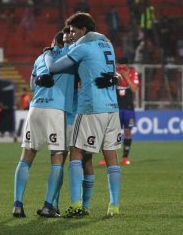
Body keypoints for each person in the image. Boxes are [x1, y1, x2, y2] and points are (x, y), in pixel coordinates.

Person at [44, 12, 122, 217]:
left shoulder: (83, 47)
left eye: (73, 31)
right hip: (112, 107)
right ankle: (114, 205)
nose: (70, 34)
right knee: (111, 156)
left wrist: (48, 53)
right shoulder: (107, 44)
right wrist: (116, 77)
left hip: (90, 107)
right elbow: (112, 71)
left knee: (76, 152)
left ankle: (76, 204)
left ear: (83, 30)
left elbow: (53, 67)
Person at [13, 31, 75, 218]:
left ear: (52, 42)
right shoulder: (72, 56)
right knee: (57, 157)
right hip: (56, 111)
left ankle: (17, 205)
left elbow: (33, 84)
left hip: (35, 108)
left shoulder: (41, 57)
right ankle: (48, 206)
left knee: (26, 157)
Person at [99, 57, 139, 166]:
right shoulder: (112, 73)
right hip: (114, 108)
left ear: (127, 65)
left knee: (127, 132)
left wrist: (126, 76)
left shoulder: (133, 73)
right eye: (119, 64)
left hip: (128, 108)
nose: (121, 67)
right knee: (111, 132)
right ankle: (107, 158)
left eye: (123, 65)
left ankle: (125, 157)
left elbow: (134, 89)